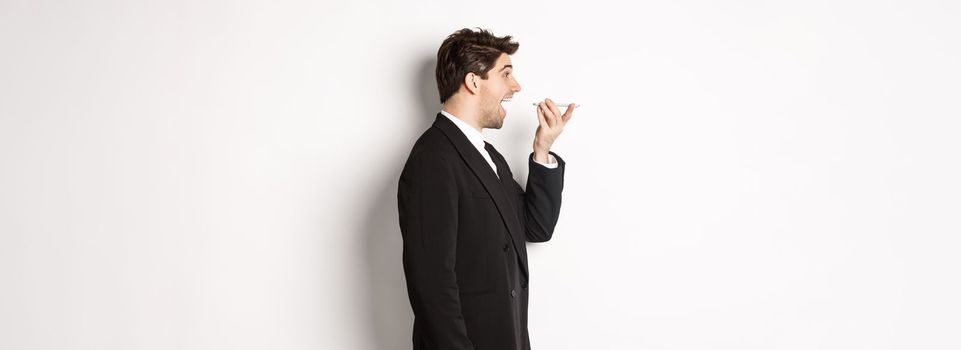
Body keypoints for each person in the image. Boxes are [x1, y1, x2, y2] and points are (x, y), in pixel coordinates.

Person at [397, 27, 575, 350]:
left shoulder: (490, 157)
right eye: (505, 73)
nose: (516, 86)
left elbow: (535, 226)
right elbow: (432, 287)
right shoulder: (432, 159)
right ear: (473, 81)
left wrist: (542, 149)